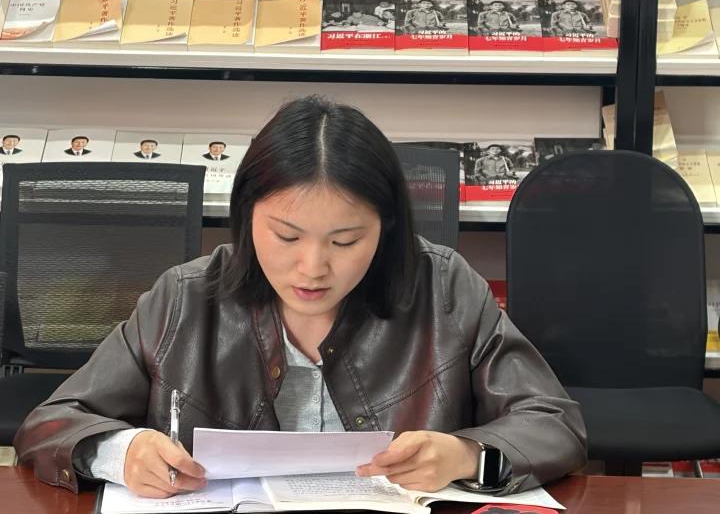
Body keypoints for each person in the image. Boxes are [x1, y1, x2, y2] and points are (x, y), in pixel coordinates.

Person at [14, 97, 586, 500]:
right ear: (246, 217)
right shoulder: (185, 298)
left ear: (385, 229)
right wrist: (121, 451)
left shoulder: (445, 289)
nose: (313, 268)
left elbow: (553, 423)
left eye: (346, 241)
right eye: (286, 237)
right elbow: (52, 424)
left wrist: (468, 456)